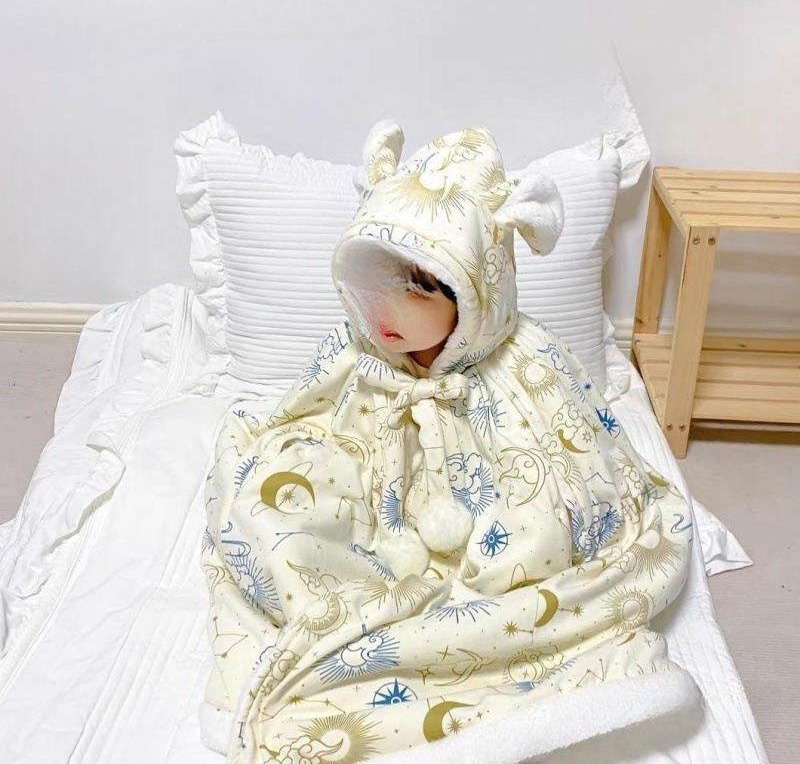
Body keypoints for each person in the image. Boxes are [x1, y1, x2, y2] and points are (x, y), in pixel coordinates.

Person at [198, 120, 698, 762]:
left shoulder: (524, 364)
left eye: (420, 287)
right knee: (265, 504)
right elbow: (313, 418)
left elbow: (570, 457)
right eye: (375, 280)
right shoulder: (359, 353)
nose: (386, 310)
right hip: (377, 512)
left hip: (483, 506)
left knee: (536, 537)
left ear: (475, 291)